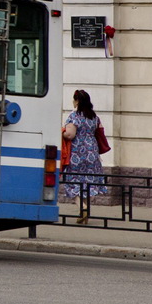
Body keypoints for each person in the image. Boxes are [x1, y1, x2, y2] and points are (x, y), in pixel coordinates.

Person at [61, 88, 108, 223]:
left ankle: (83, 207)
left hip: (77, 154)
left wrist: (61, 132)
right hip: (92, 153)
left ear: (77, 101)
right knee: (86, 184)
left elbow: (70, 135)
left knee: (72, 182)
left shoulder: (74, 116)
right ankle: (85, 215)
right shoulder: (94, 117)